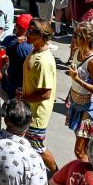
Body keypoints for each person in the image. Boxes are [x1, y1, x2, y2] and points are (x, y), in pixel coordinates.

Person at [17, 18, 59, 173]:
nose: (28, 33)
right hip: (29, 108)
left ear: (42, 35)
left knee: (39, 148)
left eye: (32, 32)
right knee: (29, 146)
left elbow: (45, 94)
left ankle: (56, 175)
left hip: (37, 114)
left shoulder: (44, 61)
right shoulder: (34, 50)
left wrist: (23, 98)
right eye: (28, 29)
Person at [66, 22, 93, 161]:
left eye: (76, 35)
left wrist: (77, 79)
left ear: (85, 38)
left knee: (79, 151)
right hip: (76, 103)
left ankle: (87, 177)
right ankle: (90, 173)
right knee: (86, 149)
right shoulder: (77, 51)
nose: (73, 38)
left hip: (89, 109)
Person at [0, 14, 34, 101]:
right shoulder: (27, 48)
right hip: (20, 85)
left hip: (7, 80)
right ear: (28, 29)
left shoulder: (8, 39)